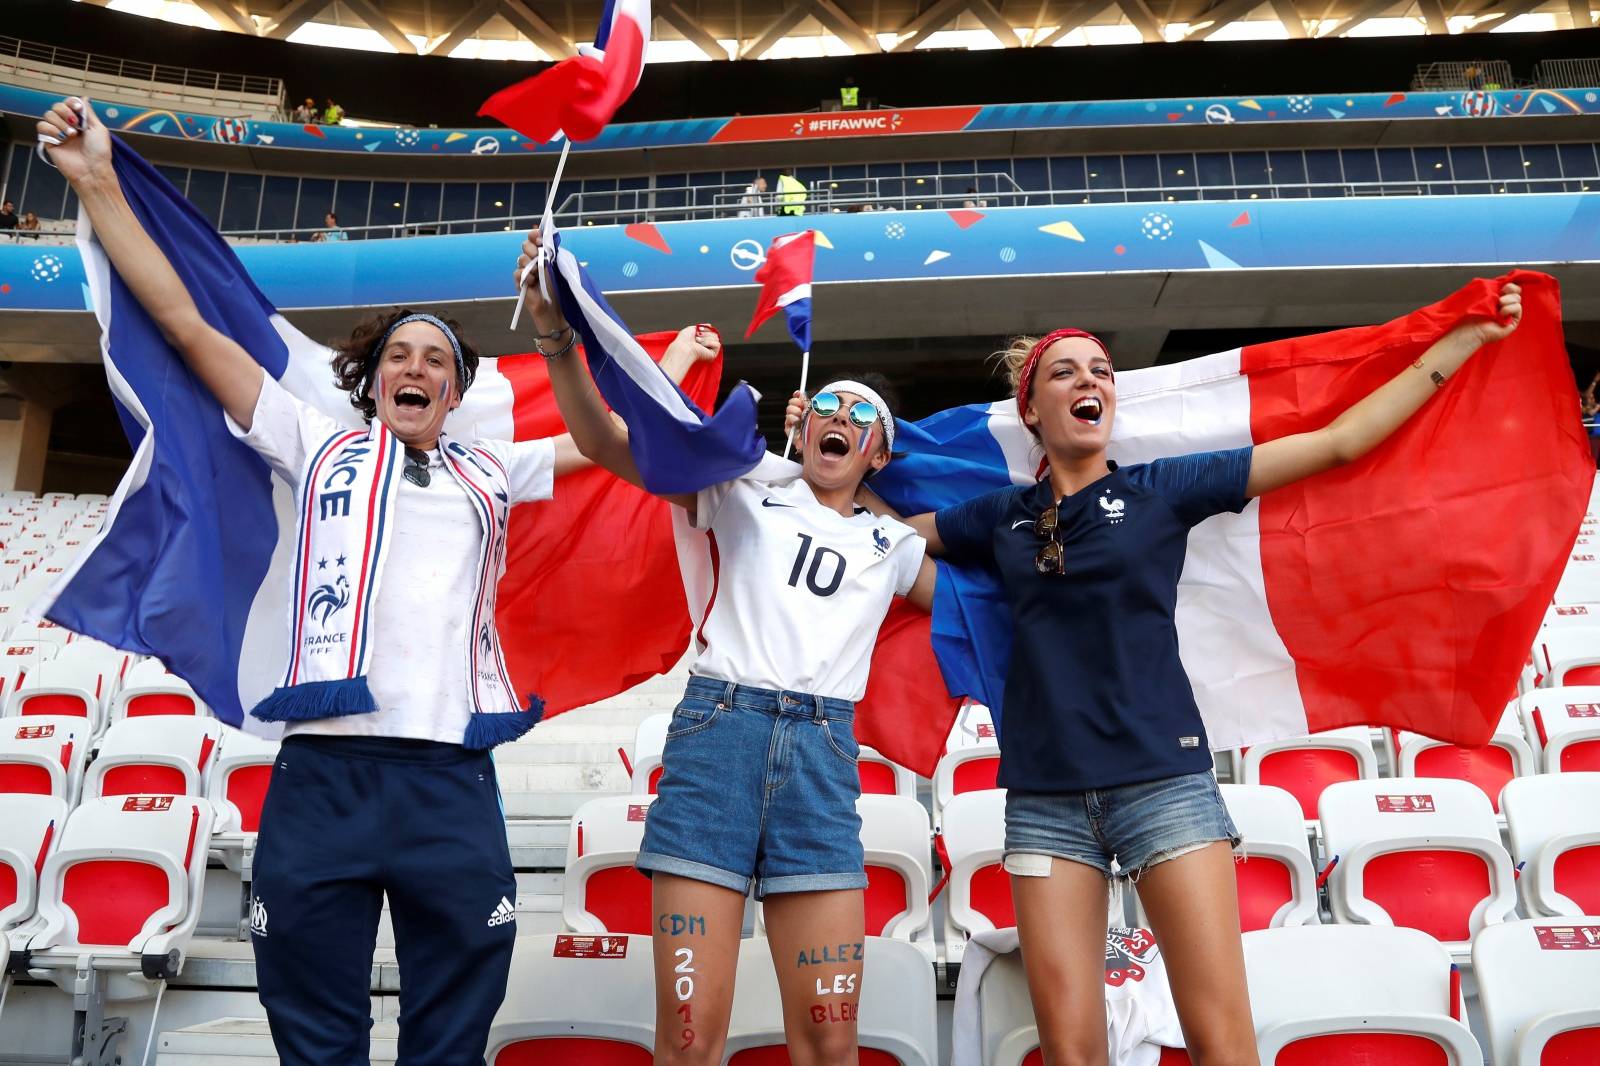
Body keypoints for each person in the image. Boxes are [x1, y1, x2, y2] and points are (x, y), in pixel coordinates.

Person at [37, 96, 716, 1066]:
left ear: (456, 390)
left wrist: (667, 362)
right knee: (315, 1032)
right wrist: (99, 178)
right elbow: (188, 325)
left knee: (451, 1028)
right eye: (398, 352)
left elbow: (607, 440)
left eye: (436, 359)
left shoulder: (496, 467)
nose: (415, 364)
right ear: (370, 376)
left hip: (449, 779)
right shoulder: (312, 441)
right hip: (324, 776)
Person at [812, 288, 1522, 1064]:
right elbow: (876, 538)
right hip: (1044, 801)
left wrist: (1464, 342)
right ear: (1032, 412)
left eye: (1103, 371)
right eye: (1065, 373)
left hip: (1166, 787)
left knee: (1220, 1041)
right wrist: (833, 437)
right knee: (1071, 1050)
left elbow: (1341, 441)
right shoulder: (997, 516)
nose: (1091, 382)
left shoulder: (1161, 491)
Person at [517, 226, 937, 1065]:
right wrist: (554, 332)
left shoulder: (896, 547)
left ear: (881, 452)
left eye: (862, 417)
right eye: (828, 404)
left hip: (821, 758)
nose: (839, 418)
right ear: (800, 418)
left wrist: (869, 501)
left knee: (829, 1037)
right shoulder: (738, 491)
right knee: (688, 1035)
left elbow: (1003, 586)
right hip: (720, 739)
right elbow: (603, 444)